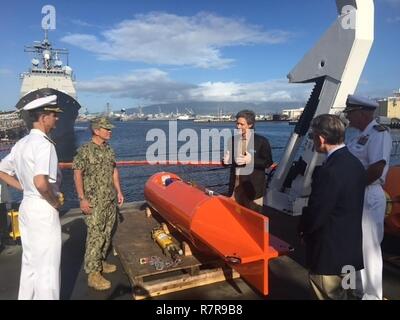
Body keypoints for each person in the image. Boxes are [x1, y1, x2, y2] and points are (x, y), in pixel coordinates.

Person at [0, 95, 63, 299]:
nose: (57, 119)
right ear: (44, 117)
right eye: (54, 115)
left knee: (30, 264)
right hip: (43, 208)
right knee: (48, 268)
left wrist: (23, 188)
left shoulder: (21, 144)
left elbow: (2, 170)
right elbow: (41, 182)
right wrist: (54, 201)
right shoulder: (45, 145)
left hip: (27, 206)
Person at [299, 114, 366, 300]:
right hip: (350, 252)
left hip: (329, 255)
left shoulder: (329, 171)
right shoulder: (356, 164)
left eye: (313, 137)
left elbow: (318, 211)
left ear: (321, 138)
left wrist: (304, 231)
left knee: (327, 294)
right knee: (350, 295)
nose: (313, 141)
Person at [344, 94, 392, 300]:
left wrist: (352, 186)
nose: (348, 117)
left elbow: (377, 167)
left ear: (362, 113)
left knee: (369, 247)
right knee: (355, 244)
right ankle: (357, 288)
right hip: (356, 195)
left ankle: (372, 295)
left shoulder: (379, 134)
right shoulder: (357, 136)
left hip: (368, 195)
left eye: (350, 113)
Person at [72, 117, 124, 291]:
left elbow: (113, 171)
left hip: (109, 199)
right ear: (96, 130)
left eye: (110, 129)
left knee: (107, 233)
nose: (110, 131)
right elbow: (77, 174)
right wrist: (82, 198)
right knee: (95, 236)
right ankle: (93, 274)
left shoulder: (109, 150)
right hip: (94, 202)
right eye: (106, 129)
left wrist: (119, 191)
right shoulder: (85, 151)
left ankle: (101, 262)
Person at [223, 110, 273, 212]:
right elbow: (229, 161)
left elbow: (268, 162)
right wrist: (225, 161)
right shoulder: (232, 140)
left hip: (253, 189)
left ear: (250, 125)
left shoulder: (262, 141)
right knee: (234, 216)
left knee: (253, 220)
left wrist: (251, 160)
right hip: (235, 189)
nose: (238, 127)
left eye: (242, 124)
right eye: (237, 123)